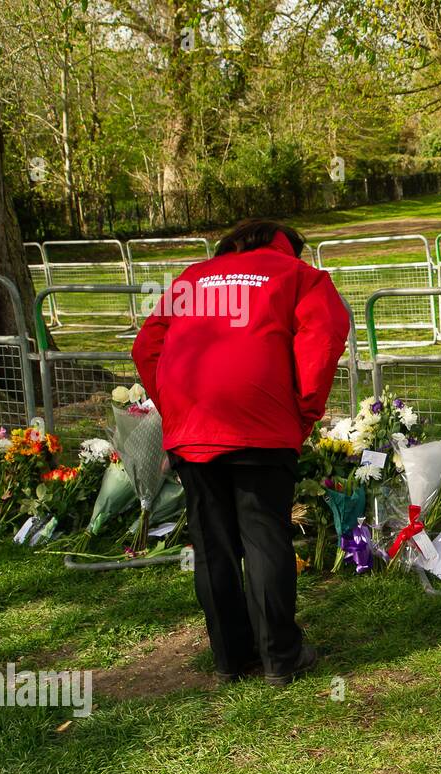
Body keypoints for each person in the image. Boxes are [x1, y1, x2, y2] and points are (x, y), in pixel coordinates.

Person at [131, 219, 348, 686]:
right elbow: (323, 338)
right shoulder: (299, 276)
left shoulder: (192, 277)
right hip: (262, 420)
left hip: (192, 423)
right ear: (288, 247)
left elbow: (146, 345)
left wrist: (173, 405)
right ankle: (280, 658)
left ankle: (230, 658)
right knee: (265, 534)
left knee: (212, 545)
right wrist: (304, 412)